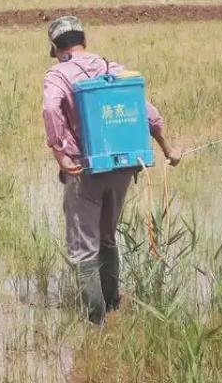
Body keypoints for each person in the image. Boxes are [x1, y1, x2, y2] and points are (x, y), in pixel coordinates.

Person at [42, 16, 182, 325]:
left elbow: (51, 109)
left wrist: (60, 155)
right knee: (107, 237)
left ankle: (96, 321)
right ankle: (114, 303)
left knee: (83, 247)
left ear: (56, 48)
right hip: (122, 167)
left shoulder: (58, 75)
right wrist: (168, 149)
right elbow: (150, 113)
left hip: (85, 168)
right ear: (84, 41)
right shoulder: (112, 69)